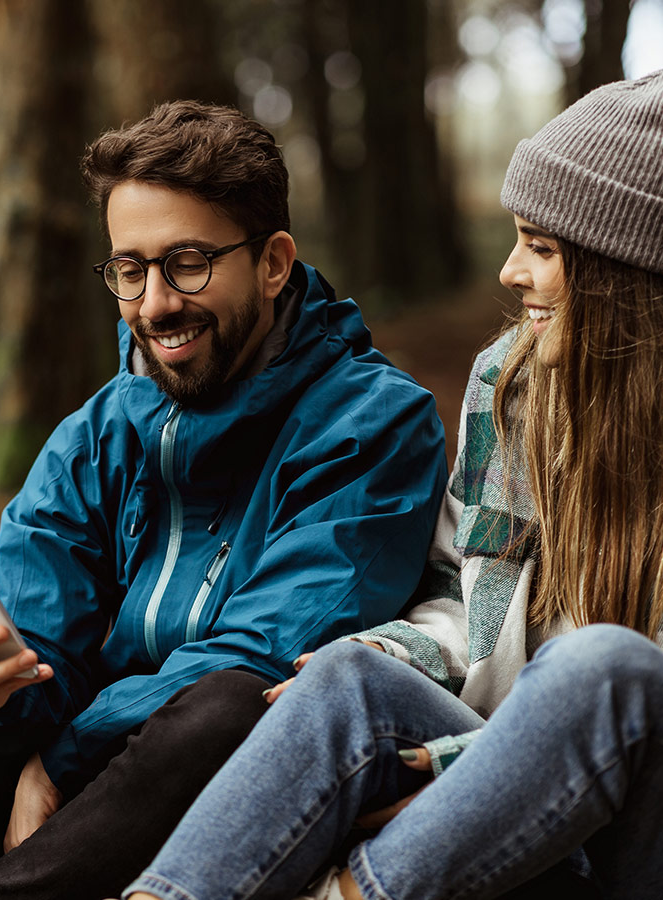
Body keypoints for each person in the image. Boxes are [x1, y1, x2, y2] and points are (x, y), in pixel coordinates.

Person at [0, 101, 447, 900]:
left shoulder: (373, 420)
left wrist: (59, 758)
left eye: (187, 262)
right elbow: (41, 653)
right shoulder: (95, 434)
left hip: (240, 786)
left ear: (272, 262)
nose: (155, 303)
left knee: (223, 709)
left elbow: (260, 657)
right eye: (130, 269)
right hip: (90, 787)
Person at [119, 70, 663, 900]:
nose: (510, 272)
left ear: (630, 277)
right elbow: (459, 595)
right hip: (523, 811)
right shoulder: (514, 388)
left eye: (543, 249)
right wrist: (387, 650)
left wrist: (449, 766)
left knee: (607, 667)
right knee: (349, 676)